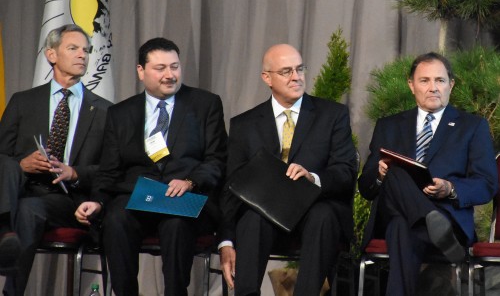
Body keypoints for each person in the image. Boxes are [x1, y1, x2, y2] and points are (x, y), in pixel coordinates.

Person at [75, 37, 227, 296]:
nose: (170, 75)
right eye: (160, 68)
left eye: (175, 67)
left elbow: (217, 159)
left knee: (176, 225)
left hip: (184, 198)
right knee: (115, 220)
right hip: (137, 197)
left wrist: (190, 181)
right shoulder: (121, 113)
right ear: (141, 71)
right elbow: (109, 170)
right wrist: (98, 201)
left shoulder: (205, 104)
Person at [218, 44, 358, 296]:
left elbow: (346, 172)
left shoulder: (332, 115)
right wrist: (226, 240)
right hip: (267, 212)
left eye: (299, 69)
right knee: (251, 218)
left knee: (323, 215)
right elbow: (232, 187)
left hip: (315, 209)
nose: (296, 77)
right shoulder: (244, 124)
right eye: (286, 71)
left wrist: (312, 178)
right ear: (267, 78)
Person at [358, 52, 498, 296]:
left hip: (447, 220)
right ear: (411, 86)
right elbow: (366, 187)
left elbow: (486, 184)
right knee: (394, 173)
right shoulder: (388, 125)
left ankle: (430, 219)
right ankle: (428, 216)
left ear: (451, 85)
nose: (433, 88)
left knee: (402, 227)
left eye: (440, 81)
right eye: (424, 81)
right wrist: (380, 174)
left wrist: (450, 188)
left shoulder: (472, 127)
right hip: (412, 216)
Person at [0, 24, 112, 295]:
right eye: (73, 49)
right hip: (19, 189)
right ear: (51, 54)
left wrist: (74, 172)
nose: (82, 56)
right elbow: (2, 154)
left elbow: (111, 171)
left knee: (28, 209)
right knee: (7, 167)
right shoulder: (23, 101)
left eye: (86, 50)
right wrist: (22, 165)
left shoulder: (106, 111)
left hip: (67, 200)